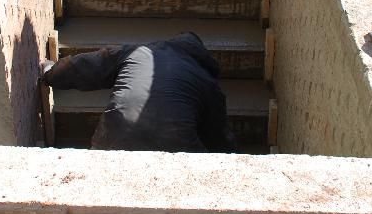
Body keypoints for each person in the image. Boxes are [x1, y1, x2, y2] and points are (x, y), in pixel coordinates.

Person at [41, 32, 237, 153]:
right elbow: (218, 136)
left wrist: (51, 73)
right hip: (176, 149)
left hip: (114, 137)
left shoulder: (137, 51)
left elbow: (88, 67)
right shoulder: (206, 80)